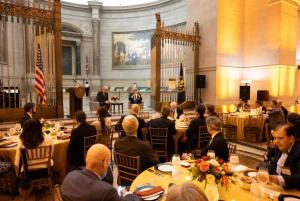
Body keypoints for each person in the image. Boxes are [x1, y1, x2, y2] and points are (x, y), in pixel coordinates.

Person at [61, 144, 141, 201]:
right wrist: (128, 194)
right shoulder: (107, 191)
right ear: (105, 162)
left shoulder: (69, 176)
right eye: (109, 162)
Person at [114, 115, 158, 182]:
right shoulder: (144, 146)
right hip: (140, 182)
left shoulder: (117, 143)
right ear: (137, 126)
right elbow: (155, 164)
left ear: (123, 127)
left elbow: (116, 161)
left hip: (123, 179)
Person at [267, 124, 300, 190]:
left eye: (280, 138)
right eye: (274, 138)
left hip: (293, 190)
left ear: (291, 138)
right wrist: (263, 171)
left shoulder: (298, 151)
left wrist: (276, 179)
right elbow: (273, 164)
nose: (276, 142)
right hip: (276, 187)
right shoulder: (279, 146)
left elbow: (299, 177)